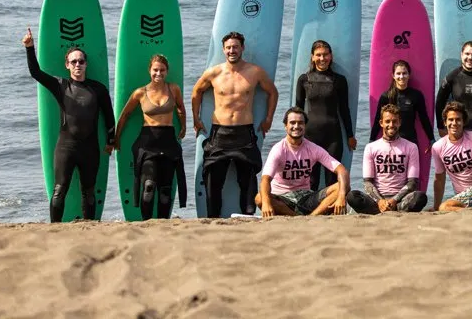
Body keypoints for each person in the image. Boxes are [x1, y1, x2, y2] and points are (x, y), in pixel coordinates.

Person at [22, 28, 115, 222]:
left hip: (90, 149)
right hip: (66, 147)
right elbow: (36, 73)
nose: (78, 65)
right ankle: (54, 229)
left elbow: (109, 116)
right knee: (59, 190)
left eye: (81, 61)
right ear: (67, 65)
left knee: (89, 192)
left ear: (86, 64)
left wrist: (111, 140)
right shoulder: (60, 85)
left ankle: (90, 226)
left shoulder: (98, 89)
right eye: (74, 62)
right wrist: (30, 48)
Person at [191, 31, 279, 217]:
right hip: (219, 134)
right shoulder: (214, 73)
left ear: (242, 48)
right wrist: (196, 118)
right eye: (229, 47)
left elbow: (273, 92)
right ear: (223, 49)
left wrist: (269, 119)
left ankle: (247, 215)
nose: (232, 50)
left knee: (247, 180)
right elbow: (196, 92)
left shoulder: (254, 72)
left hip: (244, 133)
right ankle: (213, 217)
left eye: (236, 47)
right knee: (213, 179)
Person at [112, 54, 188, 219]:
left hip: (168, 140)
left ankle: (162, 223)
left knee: (165, 189)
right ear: (150, 71)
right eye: (155, 70)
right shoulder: (140, 92)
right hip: (147, 142)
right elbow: (125, 115)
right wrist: (116, 138)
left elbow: (180, 108)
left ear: (167, 71)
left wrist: (184, 126)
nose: (158, 73)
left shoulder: (173, 88)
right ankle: (147, 224)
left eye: (162, 70)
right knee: (148, 186)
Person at [256, 107, 349, 216]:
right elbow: (265, 180)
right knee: (259, 198)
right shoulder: (279, 149)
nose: (296, 126)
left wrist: (342, 196)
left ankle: (312, 216)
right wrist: (266, 204)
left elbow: (342, 170)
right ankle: (297, 217)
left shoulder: (313, 148)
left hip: (305, 197)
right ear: (286, 126)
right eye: (292, 123)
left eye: (300, 123)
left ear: (305, 126)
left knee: (342, 186)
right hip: (283, 198)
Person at [294, 40, 357, 191]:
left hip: (333, 137)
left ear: (331, 56)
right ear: (312, 57)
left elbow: (344, 109)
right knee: (312, 179)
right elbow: (298, 110)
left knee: (332, 178)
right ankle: (310, 211)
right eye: (319, 55)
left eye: (326, 55)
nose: (322, 59)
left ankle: (330, 211)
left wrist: (350, 135)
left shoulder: (339, 80)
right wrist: (295, 136)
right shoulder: (304, 79)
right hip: (310, 136)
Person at [347, 104, 428, 214]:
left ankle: (393, 208)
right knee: (352, 196)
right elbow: (367, 183)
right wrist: (380, 201)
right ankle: (383, 209)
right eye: (387, 121)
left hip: (400, 200)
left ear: (399, 123)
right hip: (377, 200)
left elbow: (412, 183)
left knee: (420, 197)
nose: (391, 125)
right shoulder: (371, 148)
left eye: (395, 121)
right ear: (381, 123)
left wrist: (394, 200)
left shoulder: (411, 147)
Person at [370, 60, 434, 154]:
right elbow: (377, 121)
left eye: (404, 73)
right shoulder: (386, 97)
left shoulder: (416, 95)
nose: (401, 76)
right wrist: (371, 141)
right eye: (398, 73)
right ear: (393, 75)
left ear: (409, 75)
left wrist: (432, 140)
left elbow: (424, 119)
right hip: (390, 143)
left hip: (410, 142)